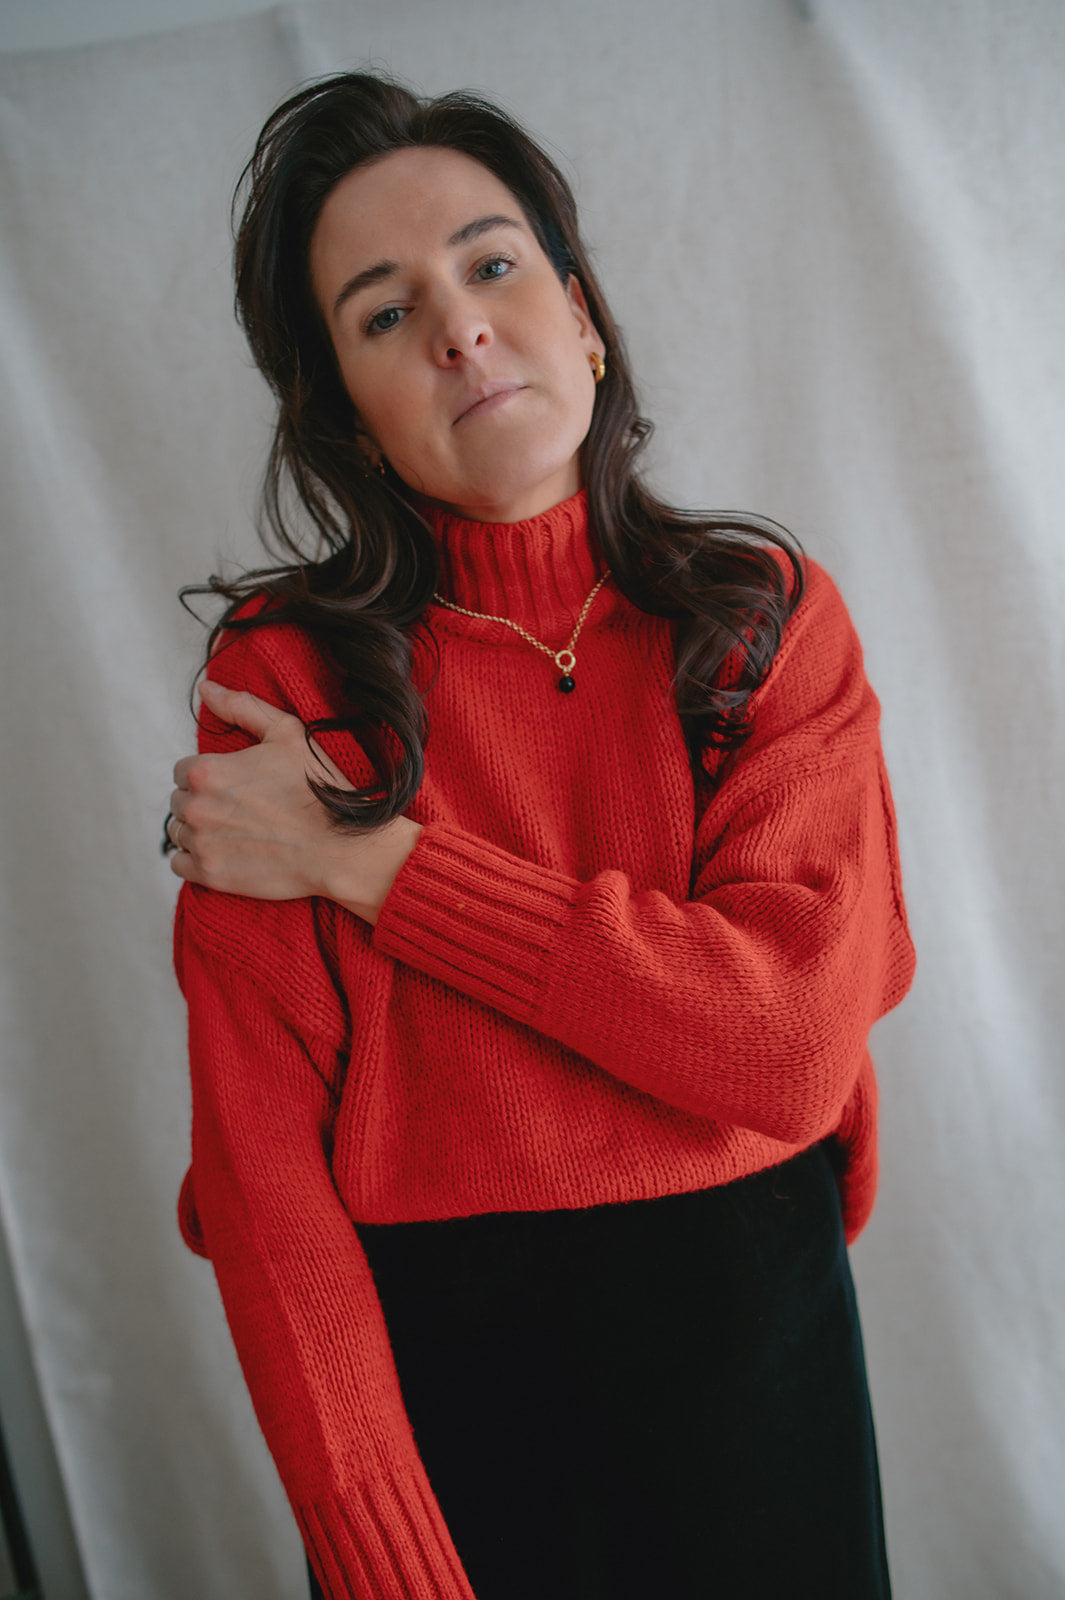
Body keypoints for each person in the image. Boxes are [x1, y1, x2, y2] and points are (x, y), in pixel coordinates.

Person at [165, 70, 916, 1600]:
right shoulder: (288, 682)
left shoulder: (756, 623)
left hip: (757, 1359)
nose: (458, 328)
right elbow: (262, 1182)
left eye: (492, 265)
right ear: (345, 410)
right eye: (385, 314)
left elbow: (785, 1049)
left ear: (581, 317)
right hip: (449, 1391)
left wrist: (371, 860)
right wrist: (377, 1552)